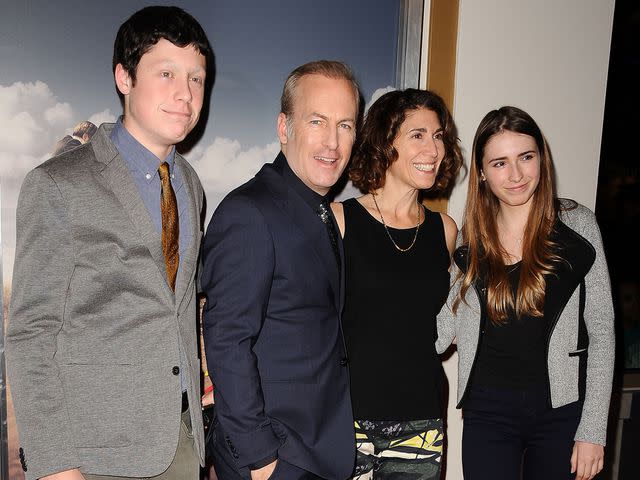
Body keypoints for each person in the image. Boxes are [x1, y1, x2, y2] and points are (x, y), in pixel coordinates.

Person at [5, 6, 213, 480]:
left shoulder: (190, 183)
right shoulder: (58, 184)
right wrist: (57, 465)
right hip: (92, 455)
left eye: (197, 78)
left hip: (180, 441)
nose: (185, 94)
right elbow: (31, 333)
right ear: (124, 77)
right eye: (166, 73)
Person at [436, 106, 615, 480]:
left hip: (561, 413)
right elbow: (441, 332)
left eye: (526, 157)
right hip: (487, 413)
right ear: (482, 173)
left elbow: (602, 331)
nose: (516, 174)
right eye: (500, 163)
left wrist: (593, 432)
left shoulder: (578, 224)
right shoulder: (471, 238)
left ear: (541, 160)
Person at [201, 60, 360, 480]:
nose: (332, 142)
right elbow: (227, 342)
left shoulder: (319, 211)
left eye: (345, 125)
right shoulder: (249, 212)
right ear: (284, 127)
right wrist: (261, 459)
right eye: (317, 121)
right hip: (277, 458)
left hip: (313, 450)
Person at [331, 88, 462, 479]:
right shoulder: (339, 220)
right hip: (347, 420)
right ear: (385, 142)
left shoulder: (446, 230)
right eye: (417, 135)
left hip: (420, 421)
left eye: (438, 136)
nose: (433, 148)